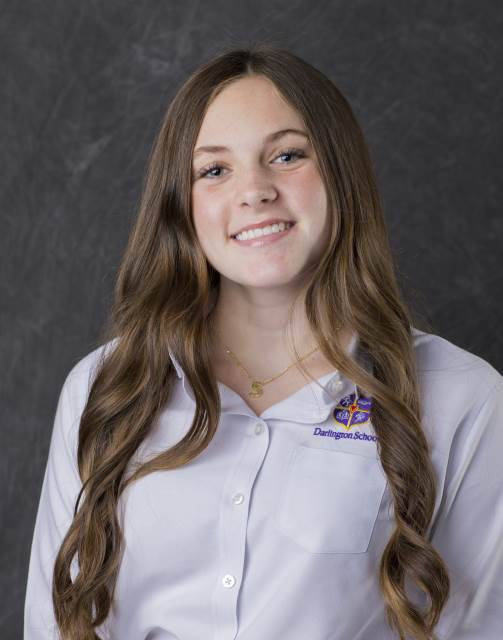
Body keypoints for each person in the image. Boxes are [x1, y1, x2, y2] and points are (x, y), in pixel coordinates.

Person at [24, 44, 503, 640]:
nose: (254, 191)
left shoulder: (463, 398)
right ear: (180, 202)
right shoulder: (107, 385)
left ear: (342, 172)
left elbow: (480, 625)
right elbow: (54, 623)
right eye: (214, 170)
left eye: (287, 155)